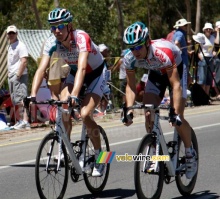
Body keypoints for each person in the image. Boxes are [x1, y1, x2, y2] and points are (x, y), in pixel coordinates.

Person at [30, 8, 106, 177]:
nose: (57, 30)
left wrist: (75, 95)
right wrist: (32, 95)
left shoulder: (81, 37)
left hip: (95, 74)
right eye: (53, 27)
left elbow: (82, 67)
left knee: (86, 114)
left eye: (61, 26)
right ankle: (66, 147)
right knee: (63, 105)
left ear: (69, 26)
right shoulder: (52, 42)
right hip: (74, 73)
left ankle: (101, 157)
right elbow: (41, 69)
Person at [122, 21, 197, 179]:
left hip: (176, 70)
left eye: (138, 46)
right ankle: (154, 146)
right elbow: (130, 86)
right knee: (148, 111)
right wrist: (128, 109)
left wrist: (174, 111)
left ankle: (190, 154)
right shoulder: (129, 58)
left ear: (147, 42)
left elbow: (175, 84)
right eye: (131, 47)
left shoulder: (162, 52)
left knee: (178, 118)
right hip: (156, 73)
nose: (135, 51)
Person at [6, 25, 30, 130]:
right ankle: (20, 120)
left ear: (16, 33)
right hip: (12, 75)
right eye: (9, 33)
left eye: (13, 33)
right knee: (15, 99)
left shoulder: (21, 45)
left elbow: (24, 61)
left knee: (22, 99)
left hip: (19, 75)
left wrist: (18, 75)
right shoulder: (10, 46)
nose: (11, 35)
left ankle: (25, 121)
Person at [194, 23, 217, 96]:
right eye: (207, 29)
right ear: (204, 30)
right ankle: (201, 96)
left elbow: (213, 47)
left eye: (210, 29)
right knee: (202, 78)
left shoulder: (213, 38)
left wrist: (213, 52)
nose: (208, 30)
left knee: (209, 78)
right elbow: (196, 48)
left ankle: (206, 96)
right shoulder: (201, 37)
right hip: (203, 58)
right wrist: (199, 55)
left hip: (210, 58)